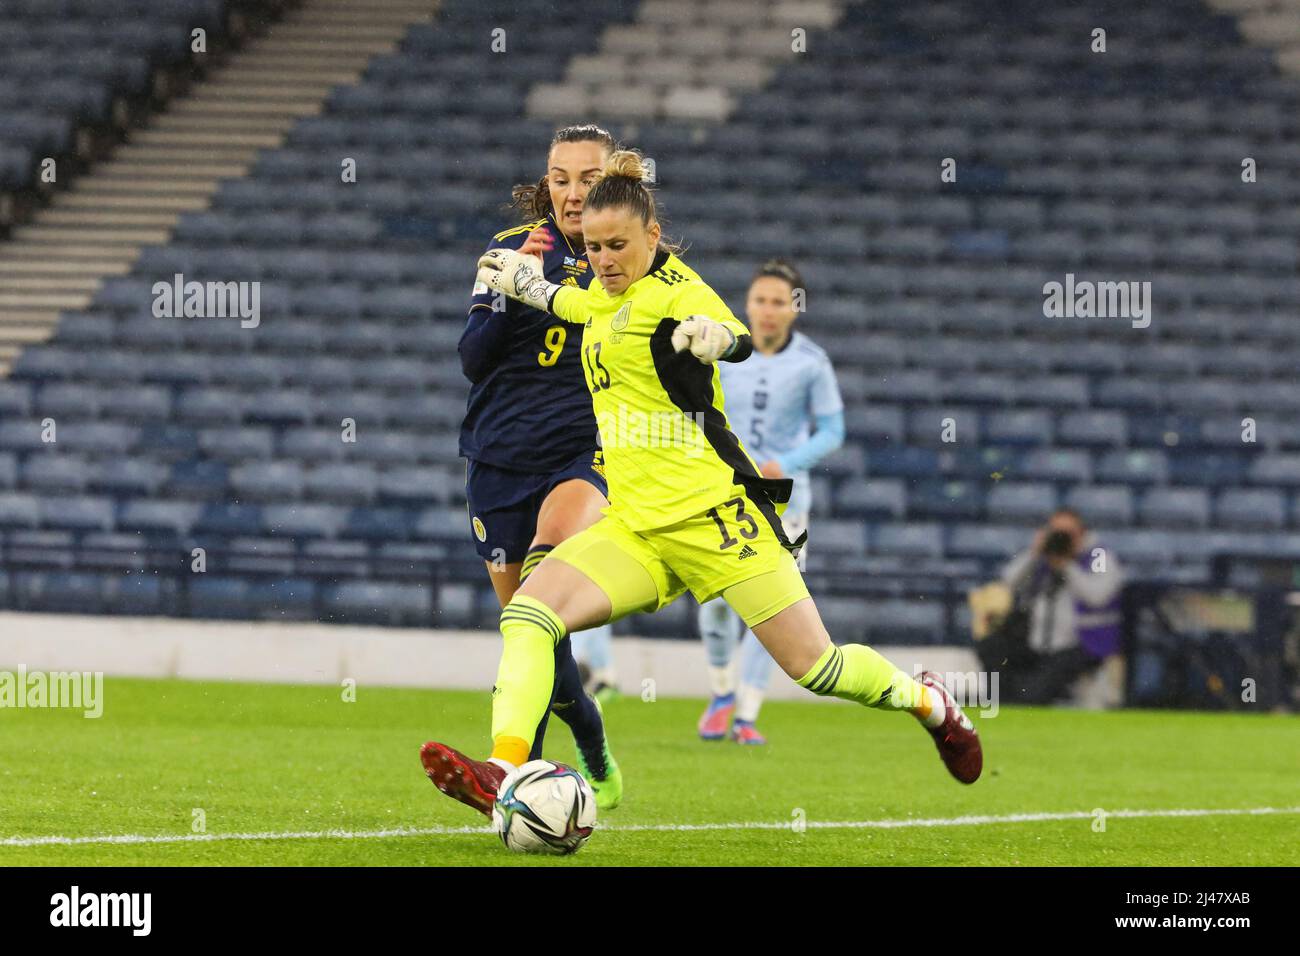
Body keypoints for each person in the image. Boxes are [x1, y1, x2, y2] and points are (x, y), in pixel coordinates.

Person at [421, 150, 981, 822]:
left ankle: (929, 702)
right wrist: (521, 281)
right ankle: (505, 772)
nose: (604, 259)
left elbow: (733, 332)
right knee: (529, 617)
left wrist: (718, 339)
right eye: (594, 246)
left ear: (652, 236)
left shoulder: (680, 288)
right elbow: (574, 304)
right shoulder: (602, 294)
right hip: (635, 529)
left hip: (716, 519)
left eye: (618, 245)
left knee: (817, 667)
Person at [428, 124, 623, 809]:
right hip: (497, 458)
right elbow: (472, 360)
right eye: (561, 177)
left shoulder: (626, 262)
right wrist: (516, 287)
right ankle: (589, 731)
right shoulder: (507, 251)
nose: (573, 193)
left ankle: (510, 782)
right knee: (530, 633)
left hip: (582, 456)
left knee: (540, 601)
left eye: (589, 179)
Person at [695, 259, 845, 745]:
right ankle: (721, 692)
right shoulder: (723, 352)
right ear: (748, 304)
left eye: (779, 301)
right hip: (726, 492)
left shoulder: (812, 363)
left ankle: (747, 712)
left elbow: (833, 431)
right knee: (716, 600)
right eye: (760, 300)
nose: (767, 310)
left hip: (786, 500)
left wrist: (789, 460)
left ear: (794, 308)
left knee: (777, 603)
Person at [997, 508, 1125, 706]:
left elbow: (1097, 596)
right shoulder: (1042, 555)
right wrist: (1034, 553)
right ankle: (1005, 705)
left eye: (1068, 534)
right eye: (1056, 532)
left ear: (1082, 533)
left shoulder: (1097, 556)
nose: (1061, 539)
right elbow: (1008, 582)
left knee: (1036, 690)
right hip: (1036, 639)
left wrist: (1067, 565)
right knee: (993, 649)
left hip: (1082, 642)